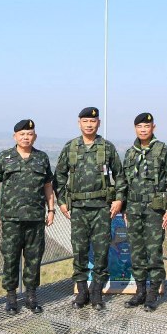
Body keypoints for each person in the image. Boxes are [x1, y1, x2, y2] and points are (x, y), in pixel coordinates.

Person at [54, 106, 125, 311]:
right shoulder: (70, 147)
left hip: (101, 208)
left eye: (93, 121)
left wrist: (119, 199)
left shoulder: (107, 147)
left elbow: (120, 176)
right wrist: (62, 202)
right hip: (78, 209)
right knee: (79, 250)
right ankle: (82, 291)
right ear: (79, 123)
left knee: (101, 251)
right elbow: (59, 176)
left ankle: (97, 292)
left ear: (98, 123)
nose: (89, 124)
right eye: (85, 121)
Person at [0, 119, 55, 315]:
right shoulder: (5, 157)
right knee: (10, 257)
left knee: (34, 258)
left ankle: (31, 295)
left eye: (30, 134)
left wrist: (51, 210)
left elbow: (48, 185)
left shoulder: (41, 158)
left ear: (35, 136)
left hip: (35, 218)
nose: (26, 137)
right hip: (11, 218)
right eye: (22, 134)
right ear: (15, 136)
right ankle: (11, 297)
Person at [122, 113, 167, 312]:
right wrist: (124, 208)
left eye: (147, 126)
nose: (143, 129)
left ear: (153, 127)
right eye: (140, 126)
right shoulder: (130, 153)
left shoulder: (163, 150)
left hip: (155, 210)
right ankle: (140, 292)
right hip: (134, 209)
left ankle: (153, 294)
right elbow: (124, 182)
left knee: (154, 252)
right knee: (136, 252)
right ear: (135, 128)